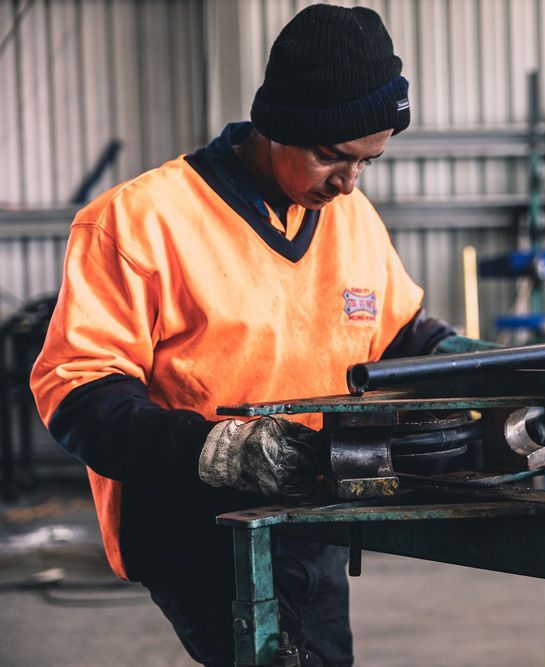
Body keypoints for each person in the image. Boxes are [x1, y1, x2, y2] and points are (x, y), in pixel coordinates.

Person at [30, 5, 482, 666]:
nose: (350, 181)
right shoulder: (139, 222)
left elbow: (399, 338)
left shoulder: (348, 217)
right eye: (333, 156)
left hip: (313, 508)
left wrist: (473, 363)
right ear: (277, 126)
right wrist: (222, 450)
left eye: (368, 161)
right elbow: (78, 392)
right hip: (199, 523)